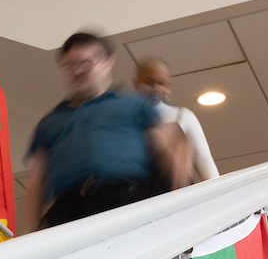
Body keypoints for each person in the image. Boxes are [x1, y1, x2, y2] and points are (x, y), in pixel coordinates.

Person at [23, 33, 186, 232]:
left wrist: (184, 210)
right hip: (66, 217)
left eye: (86, 63)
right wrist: (27, 233)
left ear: (108, 62)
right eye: (70, 65)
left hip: (125, 207)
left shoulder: (134, 106)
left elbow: (172, 152)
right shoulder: (49, 122)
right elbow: (36, 185)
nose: (77, 70)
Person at [134, 56, 219, 182]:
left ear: (168, 87)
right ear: (137, 84)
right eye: (149, 82)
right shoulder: (128, 120)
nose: (156, 88)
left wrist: (219, 192)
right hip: (144, 196)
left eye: (161, 83)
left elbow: (204, 159)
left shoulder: (183, 116)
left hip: (180, 193)